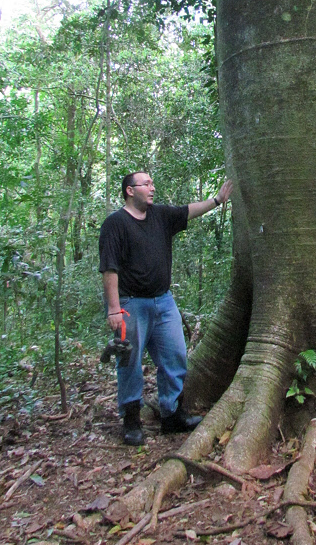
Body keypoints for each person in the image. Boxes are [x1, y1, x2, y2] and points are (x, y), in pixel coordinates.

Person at [99, 171, 233, 445]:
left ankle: (172, 415)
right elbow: (109, 268)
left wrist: (217, 200)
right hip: (129, 304)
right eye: (146, 184)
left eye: (151, 183)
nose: (152, 187)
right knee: (129, 362)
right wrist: (113, 309)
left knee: (175, 356)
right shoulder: (115, 223)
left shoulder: (159, 215)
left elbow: (188, 211)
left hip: (163, 301)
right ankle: (132, 420)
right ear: (129, 190)